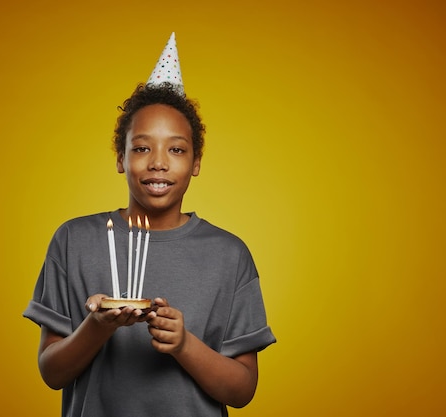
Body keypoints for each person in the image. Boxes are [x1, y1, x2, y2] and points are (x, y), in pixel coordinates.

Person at [23, 33, 276, 417]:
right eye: (142, 147)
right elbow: (52, 373)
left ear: (196, 162)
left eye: (176, 149)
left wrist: (183, 345)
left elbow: (242, 391)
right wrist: (97, 327)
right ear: (120, 158)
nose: (158, 162)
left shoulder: (229, 255)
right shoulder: (74, 241)